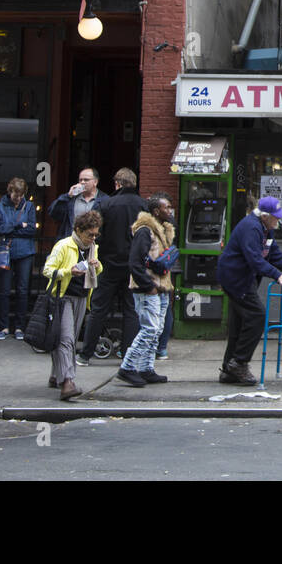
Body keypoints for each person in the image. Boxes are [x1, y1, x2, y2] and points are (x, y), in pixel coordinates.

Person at [217, 195, 282, 386]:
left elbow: (272, 253)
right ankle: (239, 363)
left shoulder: (265, 229)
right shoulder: (251, 228)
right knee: (257, 316)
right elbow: (255, 259)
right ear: (265, 216)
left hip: (240, 278)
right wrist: (277, 275)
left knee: (239, 323)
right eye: (276, 217)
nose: (279, 220)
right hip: (236, 279)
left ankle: (228, 368)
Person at [78, 167, 144, 365]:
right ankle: (127, 354)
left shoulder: (106, 204)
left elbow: (97, 233)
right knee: (131, 311)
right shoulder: (143, 205)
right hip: (133, 266)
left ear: (117, 184)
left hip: (108, 264)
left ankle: (85, 354)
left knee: (98, 309)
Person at [41, 209, 103, 401]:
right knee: (66, 339)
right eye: (89, 234)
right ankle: (67, 382)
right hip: (62, 297)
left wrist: (96, 266)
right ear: (78, 230)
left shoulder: (93, 248)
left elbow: (98, 269)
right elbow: (47, 270)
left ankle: (55, 375)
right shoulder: (64, 245)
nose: (92, 238)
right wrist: (69, 271)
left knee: (68, 339)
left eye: (95, 234)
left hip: (82, 297)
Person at [117, 192, 176, 387]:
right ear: (156, 210)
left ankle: (146, 368)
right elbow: (135, 262)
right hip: (148, 288)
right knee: (149, 329)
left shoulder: (162, 230)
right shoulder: (145, 231)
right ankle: (128, 367)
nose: (169, 210)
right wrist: (148, 285)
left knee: (157, 330)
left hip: (161, 287)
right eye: (166, 207)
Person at [0, 177, 37, 341]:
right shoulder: (0, 207)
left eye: (21, 195)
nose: (18, 198)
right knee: (3, 290)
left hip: (24, 252)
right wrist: (19, 225)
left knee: (22, 290)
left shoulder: (29, 206)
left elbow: (32, 229)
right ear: (9, 192)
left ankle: (19, 327)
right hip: (6, 252)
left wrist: (10, 229)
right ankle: (3, 326)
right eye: (15, 195)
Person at [47, 167, 107, 240]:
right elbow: (53, 213)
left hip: (93, 243)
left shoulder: (105, 200)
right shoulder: (71, 198)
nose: (82, 182)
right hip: (71, 242)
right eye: (80, 180)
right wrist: (68, 196)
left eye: (86, 180)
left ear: (95, 182)